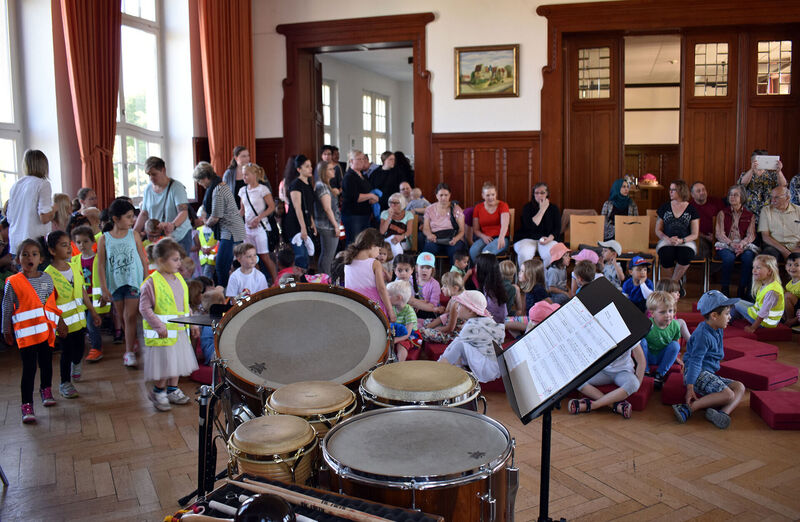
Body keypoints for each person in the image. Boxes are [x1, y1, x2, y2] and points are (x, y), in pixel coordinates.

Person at [2, 239, 65, 423]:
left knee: (46, 364)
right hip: (26, 336)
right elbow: (6, 306)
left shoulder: (46, 278)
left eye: (34, 254)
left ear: (41, 258)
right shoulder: (13, 282)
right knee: (29, 369)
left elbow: (52, 305)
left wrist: (60, 322)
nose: (30, 257)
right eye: (25, 254)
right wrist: (5, 329)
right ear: (18, 259)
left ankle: (46, 390)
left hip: (45, 333)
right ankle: (26, 405)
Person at [139, 238, 198, 412]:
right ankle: (158, 391)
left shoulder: (179, 278)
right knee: (166, 365)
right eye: (175, 260)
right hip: (163, 333)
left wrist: (193, 323)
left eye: (179, 259)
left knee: (177, 363)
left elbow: (184, 304)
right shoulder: (152, 282)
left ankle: (172, 390)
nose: (179, 263)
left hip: (179, 331)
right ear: (160, 261)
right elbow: (144, 307)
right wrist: (158, 326)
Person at [673, 290, 745, 429]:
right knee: (728, 395)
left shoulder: (718, 328)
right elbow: (695, 362)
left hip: (708, 373)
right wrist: (690, 387)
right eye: (726, 314)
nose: (730, 317)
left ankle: (722, 414)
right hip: (696, 373)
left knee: (739, 387)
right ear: (714, 315)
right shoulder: (702, 335)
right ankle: (687, 408)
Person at [45, 230, 101, 399]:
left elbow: (82, 290)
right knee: (67, 352)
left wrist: (92, 310)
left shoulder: (74, 267)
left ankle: (76, 364)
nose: (69, 248)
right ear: (52, 251)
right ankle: (65, 383)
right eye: (63, 245)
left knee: (79, 350)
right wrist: (59, 322)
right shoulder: (48, 274)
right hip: (62, 325)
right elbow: (49, 303)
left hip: (79, 321)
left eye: (69, 244)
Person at [97, 198, 148, 367]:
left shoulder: (133, 235)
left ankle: (129, 352)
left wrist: (146, 280)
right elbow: (101, 265)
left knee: (130, 315)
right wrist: (104, 288)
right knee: (123, 317)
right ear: (115, 219)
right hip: (115, 283)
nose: (132, 221)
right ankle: (131, 342)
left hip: (133, 282)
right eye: (128, 217)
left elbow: (142, 259)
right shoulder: (104, 239)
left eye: (133, 216)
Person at [193, 161, 246, 288]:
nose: (200, 184)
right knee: (224, 265)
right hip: (229, 229)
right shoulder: (218, 186)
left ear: (205, 177)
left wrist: (205, 223)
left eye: (200, 181)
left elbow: (216, 216)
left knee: (221, 265)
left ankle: (226, 295)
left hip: (230, 230)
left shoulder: (218, 189)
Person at [438, 290, 506, 383]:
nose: (457, 308)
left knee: (459, 345)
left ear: (470, 311)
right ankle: (458, 372)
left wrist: (441, 359)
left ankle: (439, 369)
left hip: (487, 368)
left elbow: (454, 345)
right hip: (495, 365)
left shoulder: (472, 326)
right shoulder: (485, 320)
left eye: (460, 305)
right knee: (461, 346)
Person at [569, 338, 646, 419]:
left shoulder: (631, 333)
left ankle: (593, 405)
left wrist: (637, 385)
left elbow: (641, 361)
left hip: (623, 372)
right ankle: (615, 406)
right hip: (602, 372)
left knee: (634, 383)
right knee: (576, 380)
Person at [135, 156, 193, 256]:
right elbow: (144, 213)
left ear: (163, 170)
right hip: (159, 236)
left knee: (179, 268)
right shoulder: (148, 189)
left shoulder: (176, 187)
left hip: (179, 236)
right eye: (148, 175)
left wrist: (173, 225)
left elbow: (183, 212)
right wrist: (134, 232)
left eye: (154, 174)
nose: (151, 178)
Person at [6, 149, 54, 255]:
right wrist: (55, 208)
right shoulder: (43, 184)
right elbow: (44, 217)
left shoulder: (15, 185)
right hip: (35, 244)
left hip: (16, 243)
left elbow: (9, 218)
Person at [238, 163, 278, 284]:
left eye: (246, 175)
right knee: (250, 258)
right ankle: (258, 282)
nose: (244, 177)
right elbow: (242, 210)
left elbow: (271, 207)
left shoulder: (262, 189)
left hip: (260, 227)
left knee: (264, 256)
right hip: (247, 228)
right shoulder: (242, 190)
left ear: (254, 175)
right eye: (243, 175)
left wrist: (259, 218)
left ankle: (276, 282)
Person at [343, 228, 395, 322]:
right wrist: (390, 311)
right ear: (372, 246)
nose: (378, 253)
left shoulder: (348, 261)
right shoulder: (374, 263)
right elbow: (382, 289)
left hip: (352, 306)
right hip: (371, 308)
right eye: (379, 250)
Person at [715, 184, 757, 299]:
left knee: (749, 258)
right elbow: (719, 233)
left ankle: (742, 289)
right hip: (726, 244)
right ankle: (725, 289)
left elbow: (751, 234)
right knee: (729, 258)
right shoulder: (722, 213)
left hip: (743, 245)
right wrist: (731, 244)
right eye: (730, 195)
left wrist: (742, 245)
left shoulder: (750, 215)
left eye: (735, 195)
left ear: (742, 197)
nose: (732, 197)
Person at [71, 226, 106, 364]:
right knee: (84, 323)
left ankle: (97, 348)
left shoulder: (99, 259)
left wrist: (105, 294)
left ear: (92, 241)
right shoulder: (74, 261)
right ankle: (91, 345)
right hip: (81, 299)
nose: (82, 245)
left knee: (92, 324)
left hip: (96, 298)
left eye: (85, 241)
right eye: (78, 242)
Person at [655, 180, 700, 284]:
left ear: (681, 190)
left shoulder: (692, 210)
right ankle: (677, 284)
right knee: (665, 255)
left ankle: (673, 284)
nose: (670, 192)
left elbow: (695, 234)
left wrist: (681, 240)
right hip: (667, 240)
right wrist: (667, 239)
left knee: (686, 255)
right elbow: (657, 230)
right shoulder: (664, 207)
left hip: (686, 241)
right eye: (670, 190)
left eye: (673, 190)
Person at [731, 254, 784, 333]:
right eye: (753, 267)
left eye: (758, 268)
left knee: (735, 303)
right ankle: (732, 319)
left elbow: (763, 313)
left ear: (769, 271)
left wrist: (753, 328)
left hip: (765, 323)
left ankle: (728, 321)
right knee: (736, 300)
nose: (754, 271)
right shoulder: (766, 284)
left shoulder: (772, 291)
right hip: (763, 317)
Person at [640, 291, 682, 390]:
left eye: (670, 311)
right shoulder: (647, 324)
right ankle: (645, 371)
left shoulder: (675, 325)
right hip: (648, 356)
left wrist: (676, 356)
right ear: (652, 313)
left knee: (675, 345)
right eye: (663, 312)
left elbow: (676, 340)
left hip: (662, 356)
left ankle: (660, 374)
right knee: (641, 341)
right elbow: (640, 346)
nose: (668, 315)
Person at [513, 183, 561, 267]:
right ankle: (526, 279)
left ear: (547, 194)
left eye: (542, 193)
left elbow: (557, 228)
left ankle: (545, 278)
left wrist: (549, 239)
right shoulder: (527, 207)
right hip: (527, 238)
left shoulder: (554, 208)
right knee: (525, 254)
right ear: (533, 194)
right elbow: (531, 226)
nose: (539, 195)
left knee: (551, 254)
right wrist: (542, 210)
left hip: (547, 238)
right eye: (536, 193)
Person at [283, 155, 317, 270]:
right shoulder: (296, 185)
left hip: (305, 221)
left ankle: (304, 279)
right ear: (299, 169)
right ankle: (298, 282)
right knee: (300, 255)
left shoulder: (308, 184)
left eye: (310, 166)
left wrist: (312, 223)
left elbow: (309, 206)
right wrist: (303, 228)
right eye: (307, 166)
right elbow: (298, 208)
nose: (310, 168)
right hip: (295, 224)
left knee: (307, 255)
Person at [738, 149, 787, 224]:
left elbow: (783, 186)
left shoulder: (773, 175)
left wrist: (779, 171)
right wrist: (752, 169)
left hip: (768, 215)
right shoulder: (746, 174)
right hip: (749, 215)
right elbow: (742, 184)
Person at [422, 183, 466, 263]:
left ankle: (454, 274)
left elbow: (462, 230)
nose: (443, 198)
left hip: (453, 238)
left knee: (456, 254)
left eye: (446, 195)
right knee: (427, 252)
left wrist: (455, 239)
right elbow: (426, 228)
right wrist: (429, 235)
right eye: (441, 195)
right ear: (436, 195)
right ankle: (427, 273)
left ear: (450, 195)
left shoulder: (456, 209)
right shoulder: (429, 209)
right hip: (435, 238)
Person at [341, 149, 377, 245]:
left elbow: (365, 192)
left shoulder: (362, 175)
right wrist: (371, 195)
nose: (362, 161)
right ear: (351, 161)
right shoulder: (349, 177)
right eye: (359, 159)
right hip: (353, 215)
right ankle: (350, 260)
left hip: (364, 213)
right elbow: (355, 197)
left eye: (363, 159)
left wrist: (371, 200)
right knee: (354, 242)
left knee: (363, 242)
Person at [419, 272, 465, 343]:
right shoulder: (453, 299)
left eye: (445, 286)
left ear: (455, 288)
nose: (442, 288)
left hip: (452, 333)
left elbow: (450, 328)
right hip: (447, 324)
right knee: (427, 322)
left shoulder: (456, 304)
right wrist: (432, 325)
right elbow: (445, 316)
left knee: (422, 332)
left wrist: (436, 329)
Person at [469, 182, 511, 261]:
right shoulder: (478, 207)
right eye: (488, 195)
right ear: (483, 195)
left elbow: (505, 225)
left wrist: (501, 237)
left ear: (496, 194)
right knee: (473, 251)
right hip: (485, 237)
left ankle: (486, 272)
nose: (491, 197)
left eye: (493, 194)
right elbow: (476, 230)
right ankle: (479, 271)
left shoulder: (503, 205)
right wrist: (483, 236)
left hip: (501, 237)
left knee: (486, 253)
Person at [758, 186, 800, 262]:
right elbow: (765, 236)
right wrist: (784, 251)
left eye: (776, 197)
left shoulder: (798, 210)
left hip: (796, 246)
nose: (772, 200)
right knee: (768, 254)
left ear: (787, 198)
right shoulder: (766, 210)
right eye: (772, 197)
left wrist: (798, 248)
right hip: (775, 246)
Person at [314, 160, 341, 275]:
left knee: (325, 254)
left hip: (326, 225)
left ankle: (323, 278)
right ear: (323, 172)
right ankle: (326, 280)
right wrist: (336, 226)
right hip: (328, 225)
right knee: (328, 256)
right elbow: (327, 208)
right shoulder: (323, 187)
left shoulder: (325, 186)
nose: (333, 171)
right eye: (330, 169)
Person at [690, 181, 725, 259]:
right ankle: (705, 269)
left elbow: (726, 221)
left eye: (703, 190)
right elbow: (688, 229)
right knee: (700, 245)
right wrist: (705, 237)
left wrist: (717, 236)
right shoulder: (689, 207)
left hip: (719, 236)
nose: (702, 192)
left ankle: (714, 269)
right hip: (700, 237)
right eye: (698, 191)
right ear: (692, 195)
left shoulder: (717, 202)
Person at [386, 279, 418, 361]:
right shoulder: (392, 308)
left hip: (409, 335)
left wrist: (395, 340)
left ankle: (400, 364)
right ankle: (387, 361)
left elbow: (407, 334)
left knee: (401, 345)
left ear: (398, 298)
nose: (386, 297)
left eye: (388, 295)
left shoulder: (409, 312)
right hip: (396, 331)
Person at [475, 253, 510, 324]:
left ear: (483, 269)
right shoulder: (493, 284)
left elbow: (492, 315)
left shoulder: (490, 290)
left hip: (494, 324)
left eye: (476, 267)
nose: (474, 269)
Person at [408, 252, 443, 319]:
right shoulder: (410, 279)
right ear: (416, 267)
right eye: (422, 267)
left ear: (432, 270)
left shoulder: (435, 284)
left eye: (428, 268)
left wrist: (420, 306)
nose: (424, 270)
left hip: (427, 309)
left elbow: (433, 305)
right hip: (411, 306)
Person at [379, 193, 413, 257]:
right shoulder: (385, 213)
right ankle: (396, 262)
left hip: (404, 240)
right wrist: (389, 216)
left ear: (401, 204)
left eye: (395, 203)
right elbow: (382, 231)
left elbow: (409, 231)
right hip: (387, 240)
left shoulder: (408, 214)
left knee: (395, 243)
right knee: (392, 240)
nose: (392, 205)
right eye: (391, 202)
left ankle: (394, 263)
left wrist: (401, 237)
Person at [783, 253, 800, 332]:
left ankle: (791, 322)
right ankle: (787, 320)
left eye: (797, 265)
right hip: (795, 311)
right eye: (789, 265)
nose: (792, 267)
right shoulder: (788, 285)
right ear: (786, 267)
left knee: (787, 295)